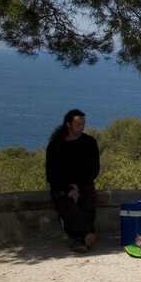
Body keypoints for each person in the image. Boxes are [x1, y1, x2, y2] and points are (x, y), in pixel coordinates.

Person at [45, 108, 100, 252]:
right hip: (61, 186)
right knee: (67, 204)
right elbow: (51, 173)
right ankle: (86, 234)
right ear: (68, 125)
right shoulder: (56, 145)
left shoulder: (89, 142)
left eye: (83, 124)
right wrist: (69, 188)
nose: (81, 127)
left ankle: (79, 240)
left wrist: (78, 187)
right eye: (78, 124)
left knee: (88, 200)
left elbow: (94, 169)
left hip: (84, 183)